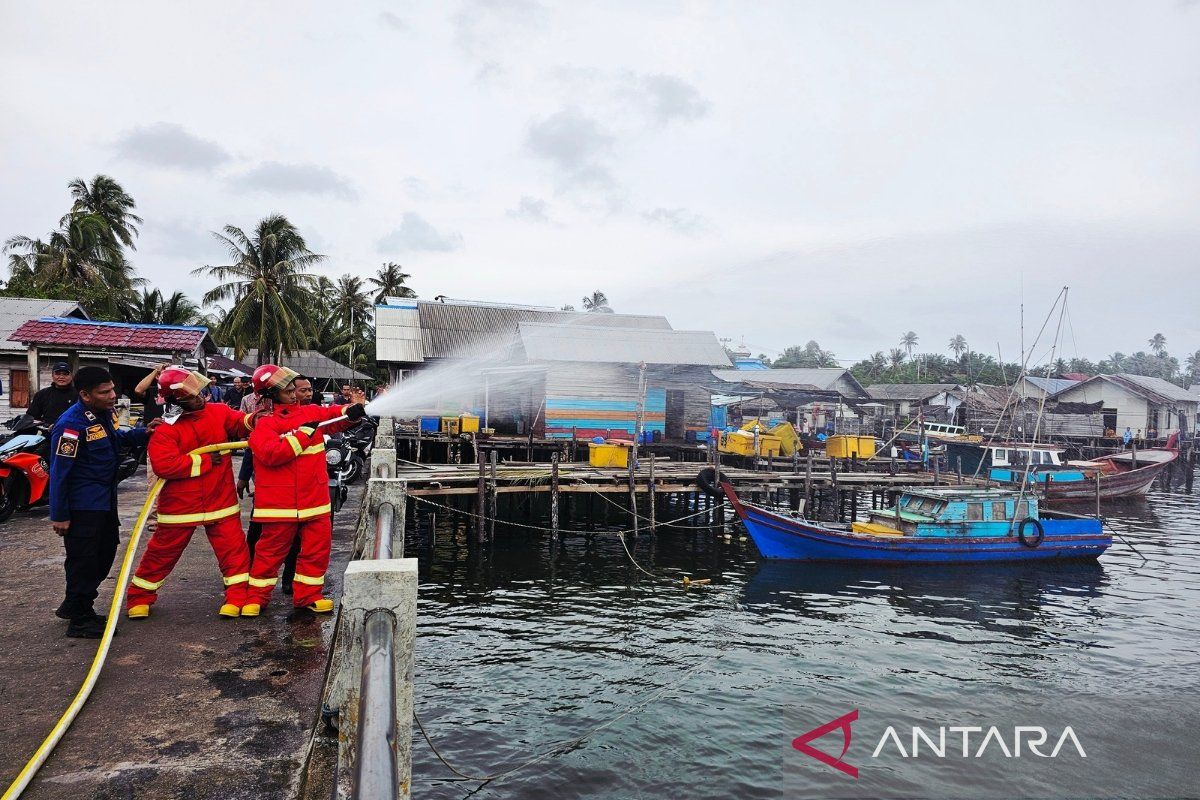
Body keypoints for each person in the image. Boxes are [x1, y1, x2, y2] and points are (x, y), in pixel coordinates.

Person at [125, 367, 257, 619]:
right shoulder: (163, 429)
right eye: (193, 396)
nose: (200, 399)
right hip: (180, 507)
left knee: (235, 553)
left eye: (201, 393)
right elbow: (165, 465)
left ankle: (237, 596)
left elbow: (239, 423)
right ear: (175, 401)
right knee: (160, 554)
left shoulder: (217, 412)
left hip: (220, 502)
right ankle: (139, 598)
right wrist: (206, 461)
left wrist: (255, 420)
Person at [243, 365, 365, 615]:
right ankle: (256, 597)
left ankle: (308, 596)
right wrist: (302, 435)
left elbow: (334, 415)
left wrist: (351, 411)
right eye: (285, 389)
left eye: (291, 388)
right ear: (269, 394)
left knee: (316, 551)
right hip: (280, 505)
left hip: (315, 500)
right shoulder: (265, 424)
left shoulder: (310, 413)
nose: (291, 392)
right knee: (268, 554)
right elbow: (271, 454)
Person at [49, 367, 156, 638]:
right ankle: (81, 618)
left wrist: (143, 432)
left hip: (104, 499)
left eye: (111, 389)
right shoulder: (70, 425)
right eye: (104, 392)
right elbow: (60, 472)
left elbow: (114, 438)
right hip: (82, 504)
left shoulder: (99, 415)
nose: (112, 396)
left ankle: (75, 602)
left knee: (106, 550)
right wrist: (59, 514)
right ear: (85, 394)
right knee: (84, 559)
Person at [239, 375, 315, 594]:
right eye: (300, 391)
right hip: (271, 494)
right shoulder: (268, 420)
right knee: (258, 536)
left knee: (298, 542)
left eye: (308, 390)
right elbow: (252, 451)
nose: (303, 395)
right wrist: (244, 477)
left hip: (304, 495)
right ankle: (251, 580)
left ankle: (289, 581)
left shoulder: (314, 415)